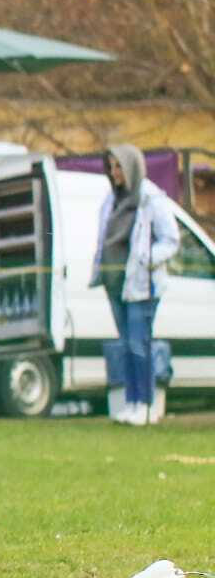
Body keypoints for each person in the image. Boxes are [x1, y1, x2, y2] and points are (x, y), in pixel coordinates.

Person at [90, 144, 179, 426]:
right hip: (115, 283)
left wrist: (147, 259)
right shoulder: (111, 199)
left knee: (140, 344)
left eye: (118, 166)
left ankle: (147, 402)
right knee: (126, 346)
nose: (114, 172)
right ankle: (130, 401)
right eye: (111, 166)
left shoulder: (151, 199)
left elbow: (171, 239)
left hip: (142, 284)